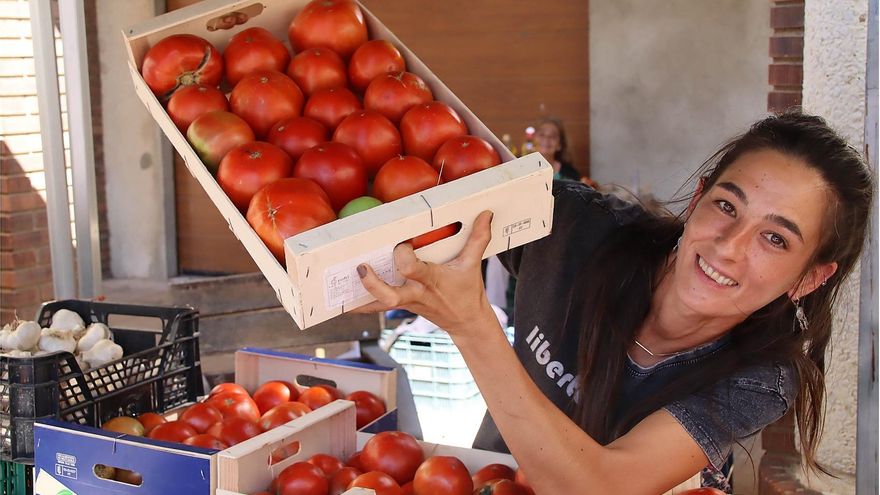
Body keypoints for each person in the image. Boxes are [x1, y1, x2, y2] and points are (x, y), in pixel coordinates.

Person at [354, 112, 873, 494]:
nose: (729, 247)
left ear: (809, 278)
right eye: (726, 205)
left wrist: (472, 326)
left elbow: (601, 487)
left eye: (775, 239)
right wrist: (372, 271)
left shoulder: (760, 378)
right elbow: (416, 224)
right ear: (696, 201)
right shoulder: (576, 228)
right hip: (480, 481)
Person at [534, 116, 598, 187]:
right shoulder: (520, 168)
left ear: (560, 145)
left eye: (553, 136)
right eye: (542, 134)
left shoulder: (570, 174)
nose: (546, 139)